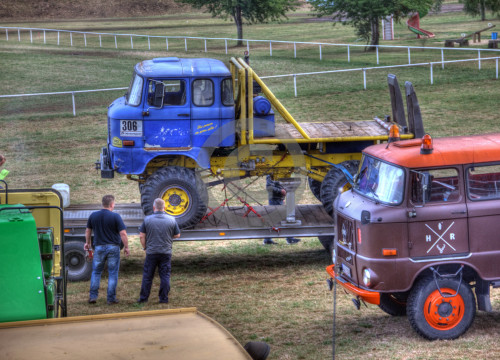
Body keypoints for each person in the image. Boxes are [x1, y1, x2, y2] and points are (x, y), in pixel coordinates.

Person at [85, 195, 129, 305]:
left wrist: (88, 243)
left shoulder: (93, 216)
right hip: (113, 247)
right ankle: (111, 298)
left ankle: (93, 297)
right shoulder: (115, 216)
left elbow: (88, 231)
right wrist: (126, 247)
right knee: (113, 273)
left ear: (102, 204)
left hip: (99, 247)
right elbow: (123, 233)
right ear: (112, 204)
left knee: (96, 272)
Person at [137, 198, 180, 304]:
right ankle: (163, 298)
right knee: (165, 276)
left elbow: (142, 236)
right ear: (165, 207)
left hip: (151, 252)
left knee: (148, 276)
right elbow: (177, 235)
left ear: (153, 207)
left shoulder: (147, 219)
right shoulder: (171, 219)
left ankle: (143, 298)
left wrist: (145, 248)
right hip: (166, 252)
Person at [263, 175, 300, 245]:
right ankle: (289, 239)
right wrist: (280, 191)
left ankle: (267, 240)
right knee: (279, 219)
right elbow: (269, 187)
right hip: (274, 200)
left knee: (276, 219)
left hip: (278, 200)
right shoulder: (271, 174)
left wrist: (282, 198)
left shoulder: (278, 173)